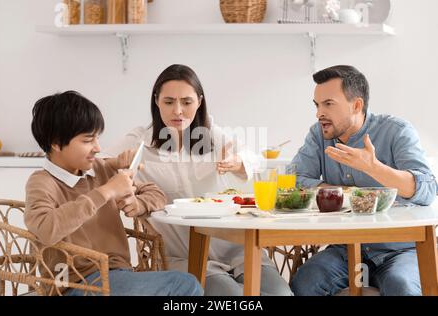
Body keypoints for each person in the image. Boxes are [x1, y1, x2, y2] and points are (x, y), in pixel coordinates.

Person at [105, 64, 292, 296]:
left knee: (281, 294)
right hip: (184, 255)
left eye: (186, 102)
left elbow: (252, 157)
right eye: (169, 102)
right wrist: (117, 164)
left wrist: (238, 161)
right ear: (156, 101)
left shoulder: (211, 133)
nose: (178, 111)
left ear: (199, 102)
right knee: (232, 297)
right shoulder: (140, 141)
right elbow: (96, 165)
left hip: (236, 248)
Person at [25, 90, 203, 296]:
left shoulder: (100, 169)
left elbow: (156, 194)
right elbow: (46, 229)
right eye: (87, 140)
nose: (97, 147)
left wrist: (138, 204)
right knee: (184, 285)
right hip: (75, 285)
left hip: (117, 276)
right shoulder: (42, 182)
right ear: (56, 143)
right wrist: (106, 191)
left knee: (185, 284)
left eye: (97, 138)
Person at [290, 65, 438, 296]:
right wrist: (345, 192)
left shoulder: (396, 131)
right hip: (346, 247)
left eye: (328, 104)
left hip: (401, 249)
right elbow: (293, 180)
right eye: (317, 105)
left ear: (356, 105)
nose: (319, 113)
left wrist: (374, 168)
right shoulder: (319, 134)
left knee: (402, 286)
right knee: (305, 283)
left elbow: (428, 189)